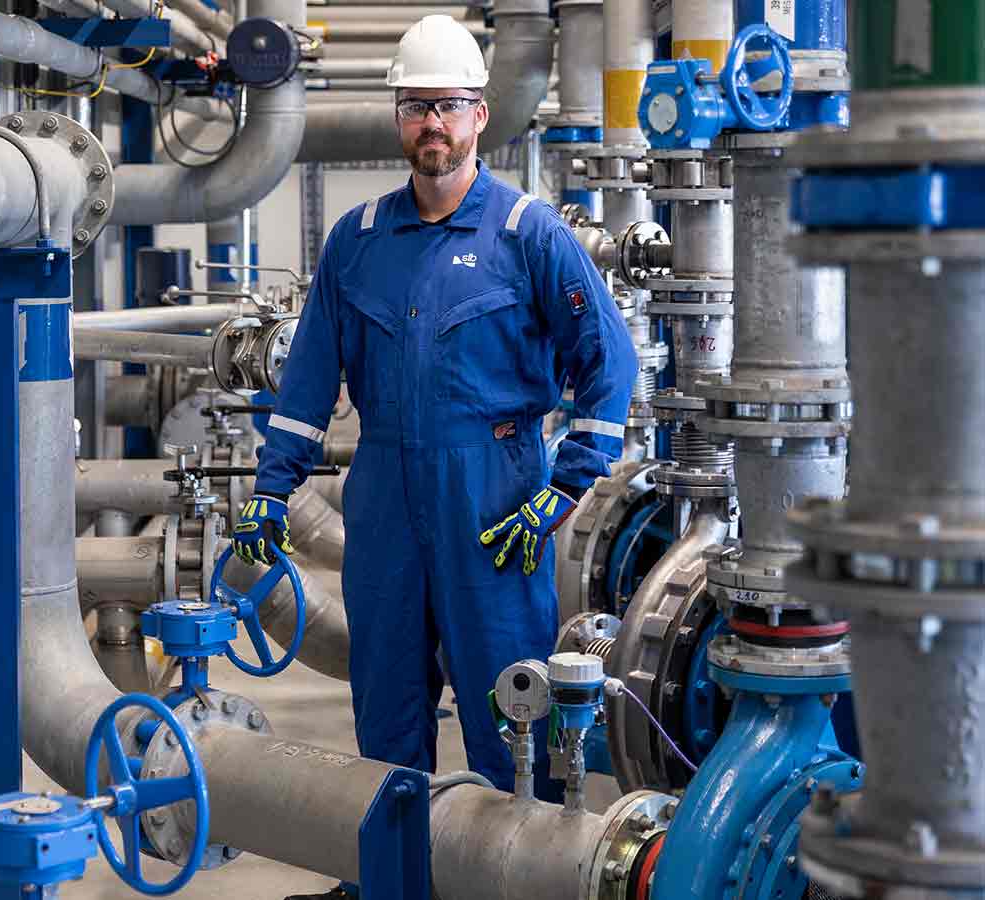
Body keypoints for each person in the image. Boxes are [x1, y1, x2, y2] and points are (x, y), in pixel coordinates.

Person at [232, 14, 638, 899]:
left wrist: (562, 490)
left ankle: (499, 880)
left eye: (448, 107)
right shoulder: (358, 241)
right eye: (417, 108)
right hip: (381, 494)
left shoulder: (529, 235)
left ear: (481, 114)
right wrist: (272, 490)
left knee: (509, 709)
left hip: (496, 500)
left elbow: (609, 367)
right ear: (398, 116)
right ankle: (393, 882)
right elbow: (306, 383)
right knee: (386, 707)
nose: (433, 126)